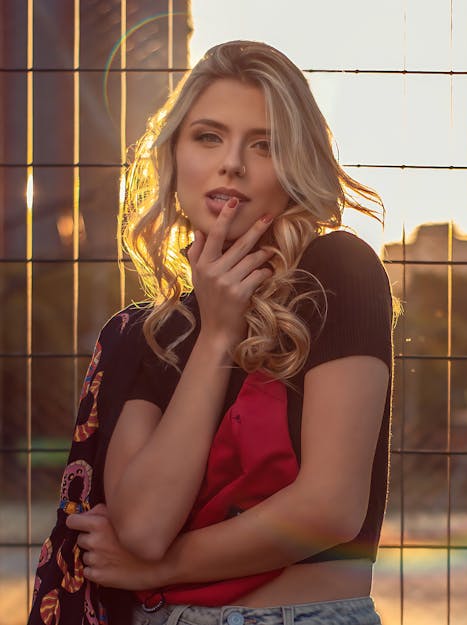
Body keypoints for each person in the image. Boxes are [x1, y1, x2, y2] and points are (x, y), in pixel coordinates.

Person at [29, 40, 394, 625]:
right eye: (208, 137)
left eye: (265, 144)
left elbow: (329, 509)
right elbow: (143, 527)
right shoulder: (149, 332)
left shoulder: (338, 271)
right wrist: (217, 335)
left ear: (296, 164)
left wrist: (160, 570)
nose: (232, 164)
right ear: (175, 156)